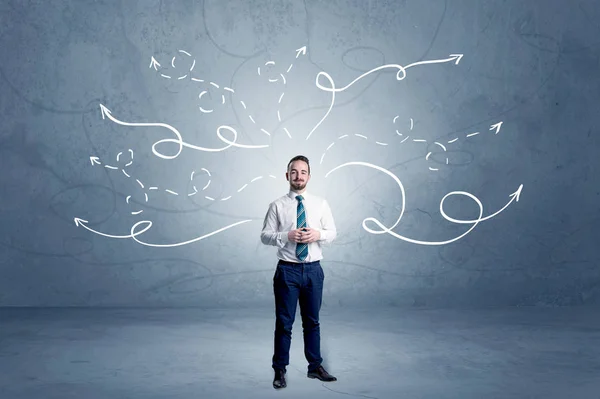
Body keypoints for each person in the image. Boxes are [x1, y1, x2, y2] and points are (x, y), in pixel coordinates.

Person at [260, 155, 338, 389]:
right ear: (287, 176)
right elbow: (265, 236)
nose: (298, 176)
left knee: (312, 322)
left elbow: (332, 231)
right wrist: (287, 236)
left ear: (309, 176)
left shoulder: (320, 203)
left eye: (303, 172)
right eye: (294, 172)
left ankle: (315, 366)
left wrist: (318, 235)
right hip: (287, 271)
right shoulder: (277, 205)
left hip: (313, 271)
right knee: (284, 323)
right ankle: (279, 370)